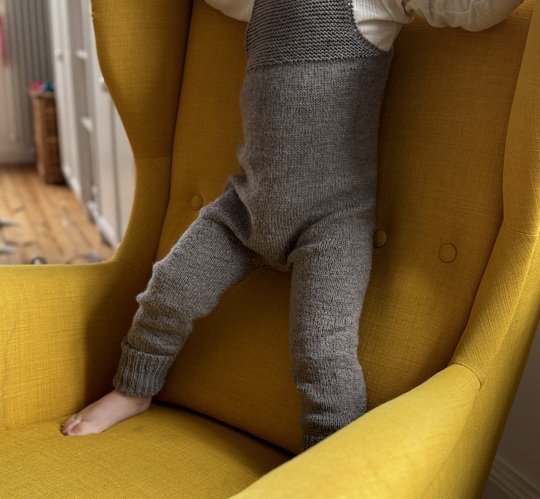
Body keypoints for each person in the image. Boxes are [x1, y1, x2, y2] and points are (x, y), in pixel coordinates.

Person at [62, 0, 523, 450]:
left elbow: (476, 9)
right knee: (170, 287)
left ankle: (328, 462)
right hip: (244, 208)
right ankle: (134, 389)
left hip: (333, 223)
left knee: (322, 352)